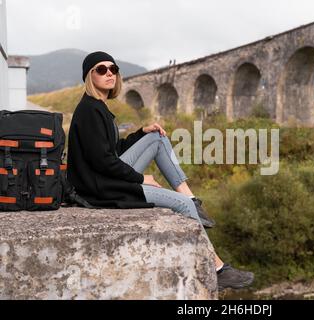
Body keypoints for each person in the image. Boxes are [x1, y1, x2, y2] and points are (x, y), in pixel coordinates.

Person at [67, 51, 254, 292]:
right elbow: (102, 162)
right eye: (101, 70)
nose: (109, 74)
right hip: (102, 189)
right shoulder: (89, 110)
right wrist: (140, 178)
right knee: (183, 208)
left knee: (156, 136)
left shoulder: (98, 107)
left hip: (105, 179)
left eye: (113, 69)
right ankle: (218, 269)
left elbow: (113, 150)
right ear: (89, 76)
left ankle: (190, 196)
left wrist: (140, 132)